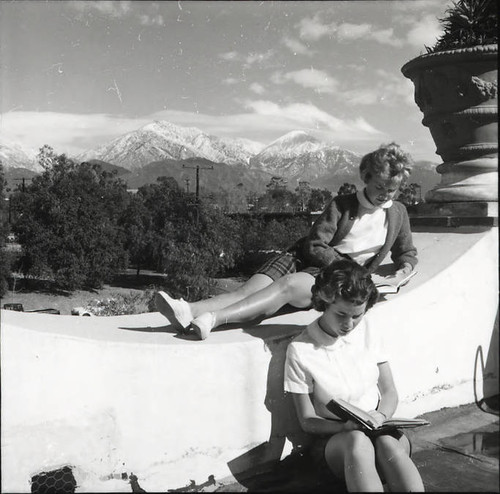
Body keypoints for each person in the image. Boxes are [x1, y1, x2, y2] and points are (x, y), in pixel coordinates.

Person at [155, 142, 417, 340]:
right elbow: (315, 245)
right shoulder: (342, 204)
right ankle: (188, 309)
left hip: (332, 278)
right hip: (305, 257)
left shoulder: (398, 214)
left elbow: (406, 251)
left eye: (391, 189)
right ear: (366, 177)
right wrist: (344, 266)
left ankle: (212, 319)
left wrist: (405, 267)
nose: (384, 194)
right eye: (379, 186)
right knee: (246, 291)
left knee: (287, 287)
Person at [284, 259, 424, 492]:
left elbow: (389, 391)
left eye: (357, 315)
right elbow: (307, 420)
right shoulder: (301, 350)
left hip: (379, 429)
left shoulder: (368, 330)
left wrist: (381, 415)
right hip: (337, 440)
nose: (349, 324)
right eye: (341, 314)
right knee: (358, 441)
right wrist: (344, 428)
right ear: (324, 303)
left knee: (388, 443)